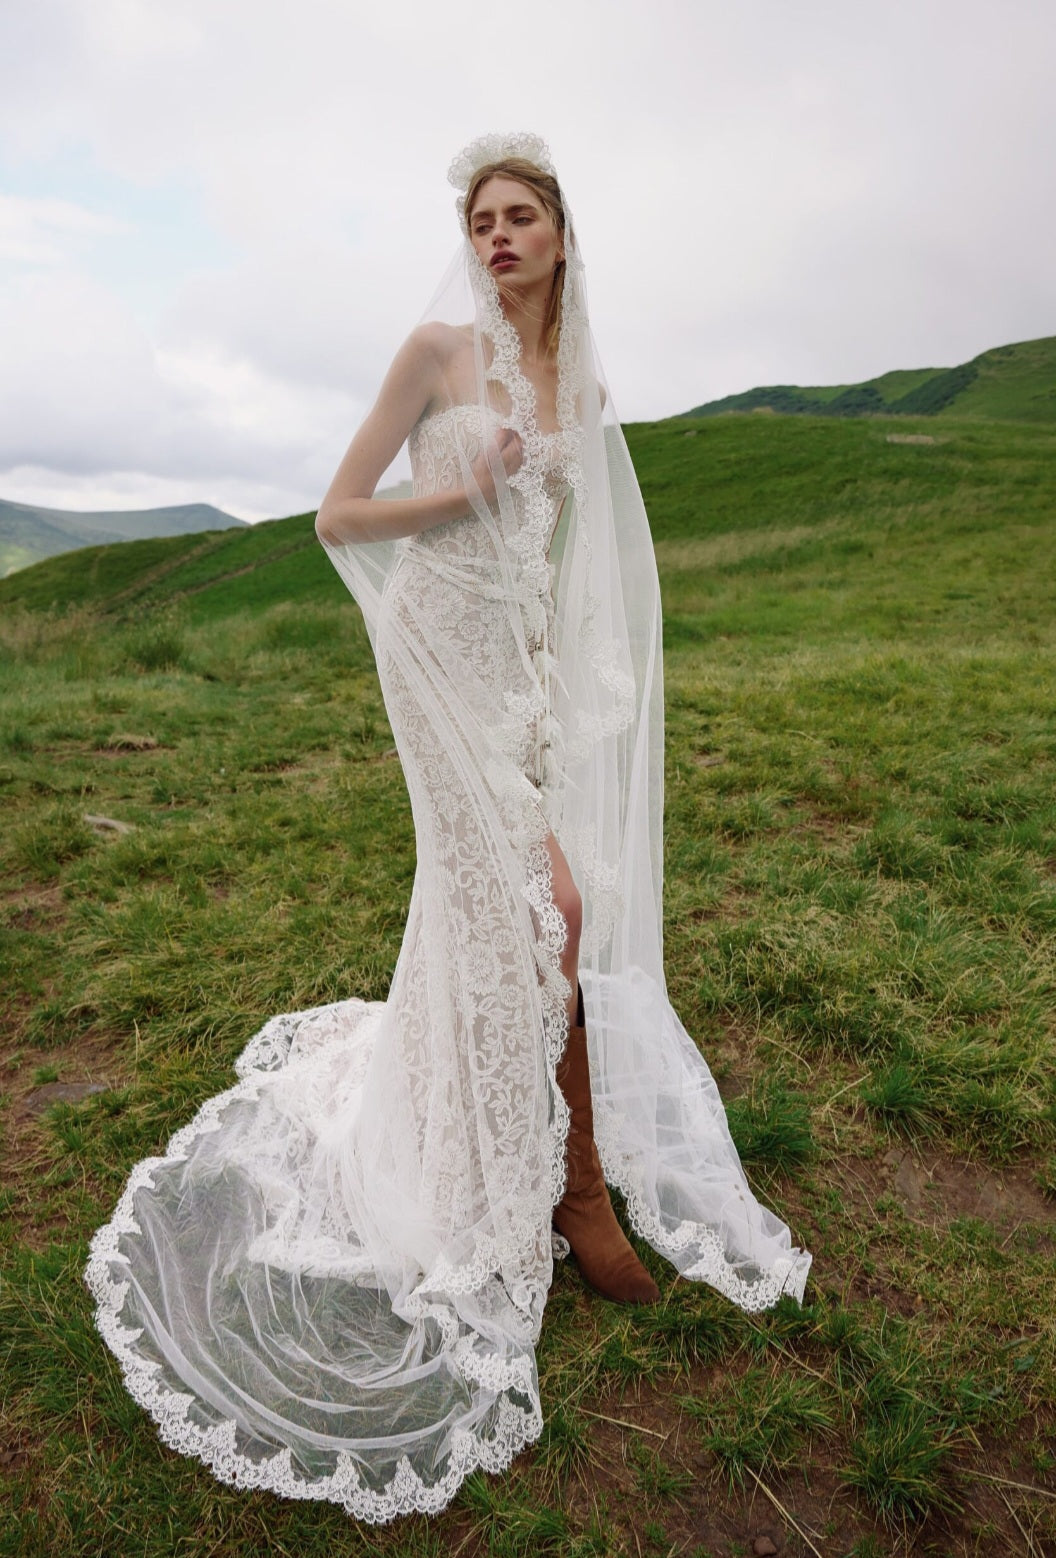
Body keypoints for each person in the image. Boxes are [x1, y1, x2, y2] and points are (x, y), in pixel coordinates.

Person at [84, 133, 812, 1525]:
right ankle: (573, 1188)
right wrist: (457, 494)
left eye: (519, 214)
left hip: (516, 678)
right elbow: (337, 514)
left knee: (506, 916)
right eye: (479, 216)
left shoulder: (577, 378)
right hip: (433, 657)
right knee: (550, 910)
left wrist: (567, 684)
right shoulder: (433, 354)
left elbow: (566, 550)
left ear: (559, 234)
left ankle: (506, 1142)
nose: (496, 235)